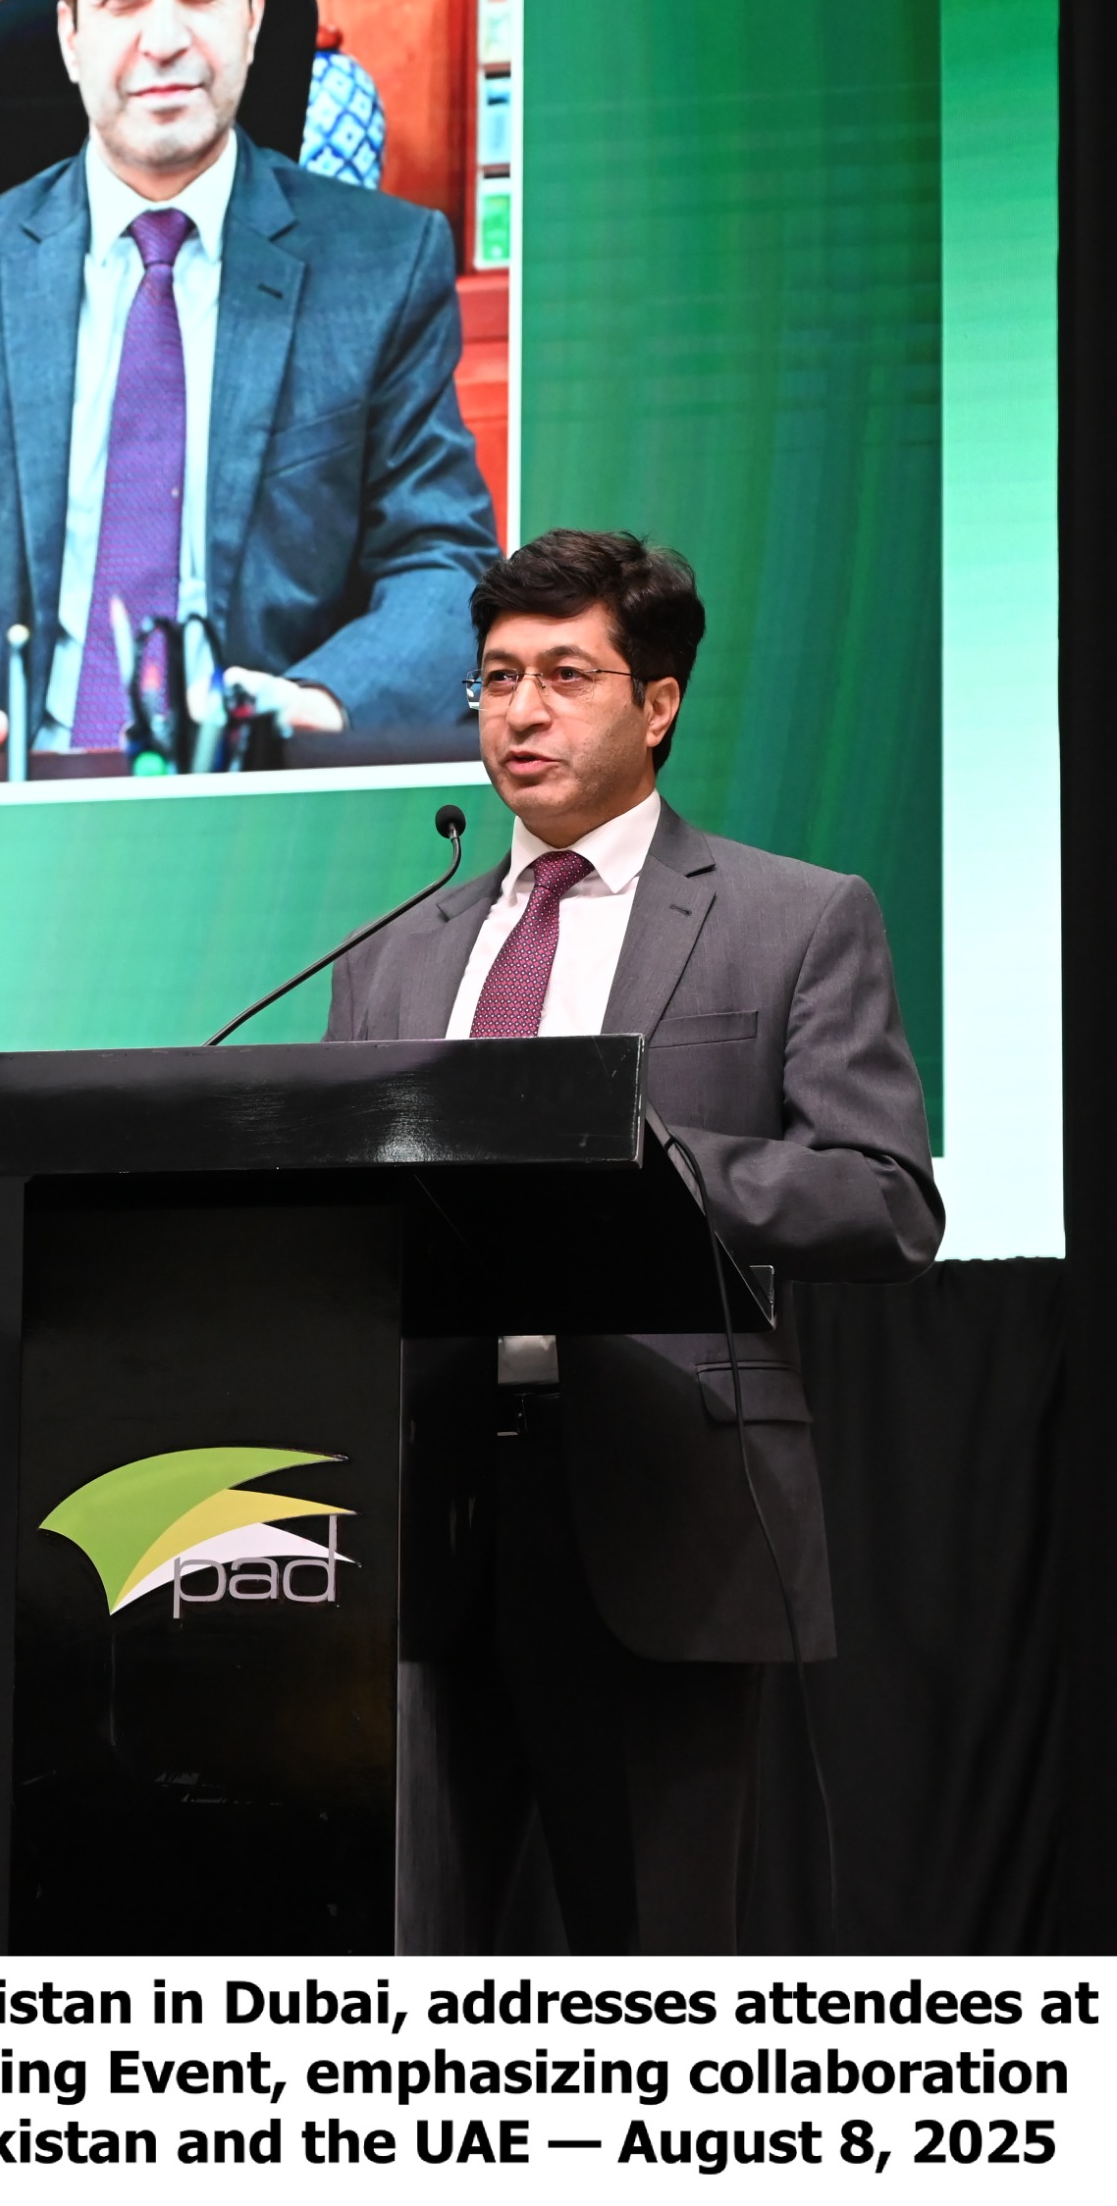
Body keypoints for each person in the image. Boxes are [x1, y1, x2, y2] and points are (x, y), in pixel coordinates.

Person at [325, 529, 943, 1953]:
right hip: (416, 1506)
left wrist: (632, 1162)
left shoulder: (793, 917)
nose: (520, 713)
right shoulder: (391, 953)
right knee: (396, 1967)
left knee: (649, 1970)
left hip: (658, 1491)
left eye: (565, 676)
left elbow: (882, 1198)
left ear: (657, 703)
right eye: (496, 679)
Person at [0, 0, 499, 780]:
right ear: (70, 35)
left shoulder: (383, 268)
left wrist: (319, 703)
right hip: (9, 794)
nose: (165, 37)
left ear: (253, 14)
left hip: (263, 791)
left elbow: (445, 564)